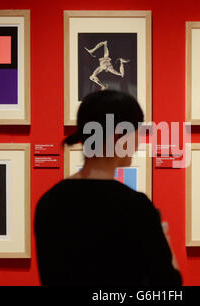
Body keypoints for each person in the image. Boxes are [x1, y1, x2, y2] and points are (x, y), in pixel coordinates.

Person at [35, 90, 182, 286]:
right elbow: (168, 285)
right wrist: (165, 240)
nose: (138, 143)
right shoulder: (136, 208)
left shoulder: (49, 202)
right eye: (137, 132)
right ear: (119, 136)